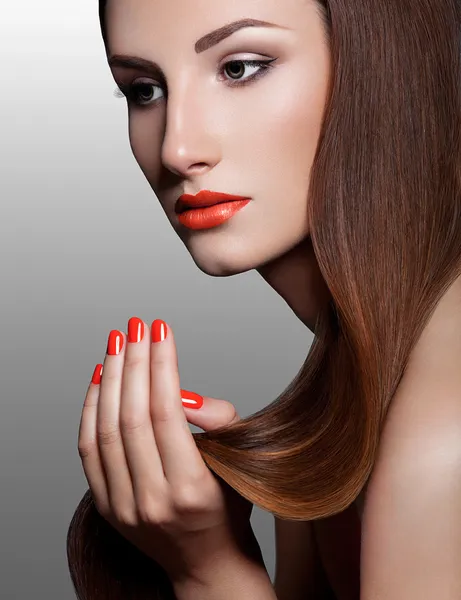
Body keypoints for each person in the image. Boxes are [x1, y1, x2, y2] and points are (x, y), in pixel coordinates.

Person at [67, 1, 461, 599]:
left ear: (382, 68)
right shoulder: (341, 400)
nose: (177, 148)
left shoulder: (440, 433)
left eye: (241, 68)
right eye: (144, 89)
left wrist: (210, 571)